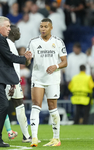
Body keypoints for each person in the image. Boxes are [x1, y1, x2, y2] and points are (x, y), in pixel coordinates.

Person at [0, 16, 32, 147]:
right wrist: (24, 59)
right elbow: (9, 57)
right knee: (3, 105)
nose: (10, 29)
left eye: (10, 26)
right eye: (7, 26)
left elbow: (4, 61)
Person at [26, 18, 67, 147]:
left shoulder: (58, 42)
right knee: (36, 105)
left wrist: (56, 66)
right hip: (38, 78)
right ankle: (34, 138)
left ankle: (56, 138)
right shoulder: (33, 42)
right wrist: (27, 59)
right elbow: (28, 62)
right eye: (41, 26)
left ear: (51, 28)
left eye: (45, 26)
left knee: (52, 107)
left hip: (53, 80)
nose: (43, 29)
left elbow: (65, 62)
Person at [5, 24, 31, 142]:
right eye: (18, 31)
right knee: (15, 106)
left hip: (11, 80)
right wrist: (12, 82)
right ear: (13, 33)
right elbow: (9, 63)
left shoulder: (10, 44)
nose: (20, 33)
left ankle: (26, 136)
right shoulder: (9, 44)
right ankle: (26, 136)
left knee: (15, 106)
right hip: (10, 81)